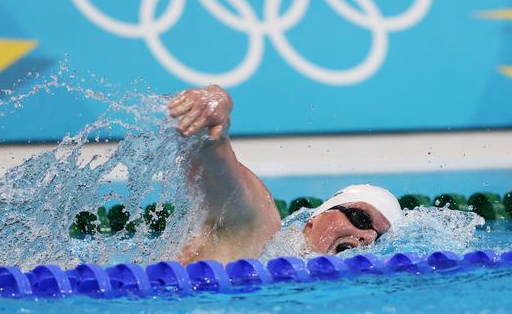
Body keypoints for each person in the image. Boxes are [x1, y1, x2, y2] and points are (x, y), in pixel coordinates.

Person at [168, 85, 402, 264]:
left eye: (378, 237)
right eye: (361, 218)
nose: (368, 238)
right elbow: (216, 169)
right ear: (314, 220)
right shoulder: (257, 233)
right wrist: (213, 120)